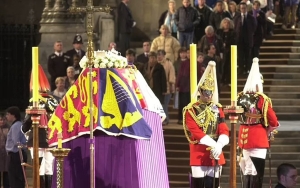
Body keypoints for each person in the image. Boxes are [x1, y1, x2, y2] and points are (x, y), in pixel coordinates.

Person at [183, 61, 229, 188]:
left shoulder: (217, 109)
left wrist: (220, 144)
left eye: (211, 92)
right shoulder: (191, 110)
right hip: (199, 151)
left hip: (215, 151)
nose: (209, 96)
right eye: (206, 92)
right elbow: (196, 132)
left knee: (214, 185)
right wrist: (214, 144)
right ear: (200, 91)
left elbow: (223, 129)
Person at [237, 58, 280, 188]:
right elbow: (273, 120)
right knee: (256, 171)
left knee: (248, 169)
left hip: (244, 136)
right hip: (258, 136)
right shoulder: (262, 99)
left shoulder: (240, 97)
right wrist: (271, 129)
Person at [22, 66, 59, 188]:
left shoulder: (35, 101)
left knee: (40, 168)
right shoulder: (54, 100)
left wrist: (25, 130)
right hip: (50, 137)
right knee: (48, 168)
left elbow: (25, 126)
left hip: (37, 137)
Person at [5, 106, 27, 188]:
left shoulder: (16, 126)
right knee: (16, 179)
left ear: (13, 115)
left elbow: (16, 142)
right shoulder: (18, 124)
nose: (6, 116)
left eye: (8, 114)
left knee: (15, 179)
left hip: (16, 155)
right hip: (16, 154)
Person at [157, 49, 176, 125]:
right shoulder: (156, 64)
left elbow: (171, 75)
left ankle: (166, 119)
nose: (159, 56)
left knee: (164, 105)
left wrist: (172, 86)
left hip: (167, 88)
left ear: (164, 55)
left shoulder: (168, 64)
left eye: (160, 55)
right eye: (158, 55)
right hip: (158, 88)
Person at [0, 113, 9, 188]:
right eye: (0, 120)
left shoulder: (8, 128)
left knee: (6, 172)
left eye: (3, 120)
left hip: (6, 153)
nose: (2, 121)